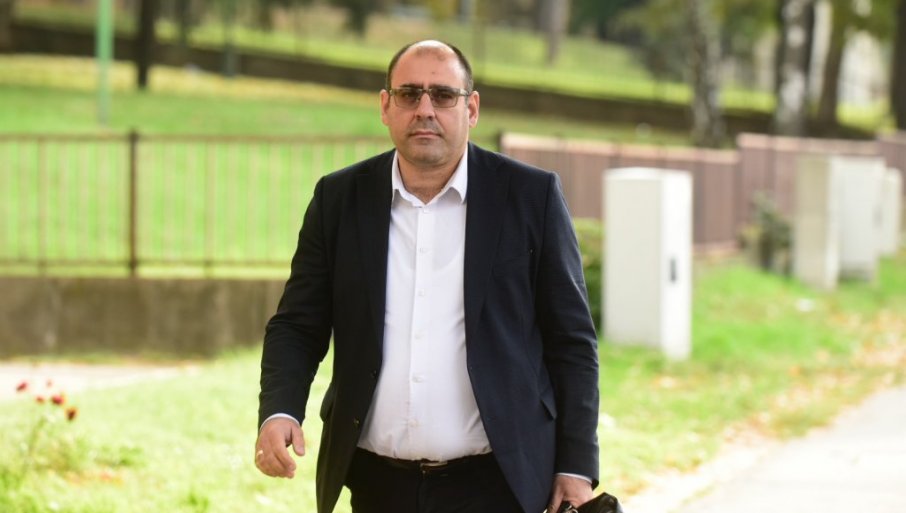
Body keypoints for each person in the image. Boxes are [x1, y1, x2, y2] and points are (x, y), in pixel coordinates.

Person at [254, 39, 600, 513]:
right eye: (409, 94)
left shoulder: (530, 196)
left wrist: (576, 465)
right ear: (385, 106)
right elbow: (298, 324)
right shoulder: (339, 199)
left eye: (443, 95)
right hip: (377, 485)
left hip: (498, 485)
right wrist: (279, 410)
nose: (424, 109)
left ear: (471, 109)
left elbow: (572, 342)